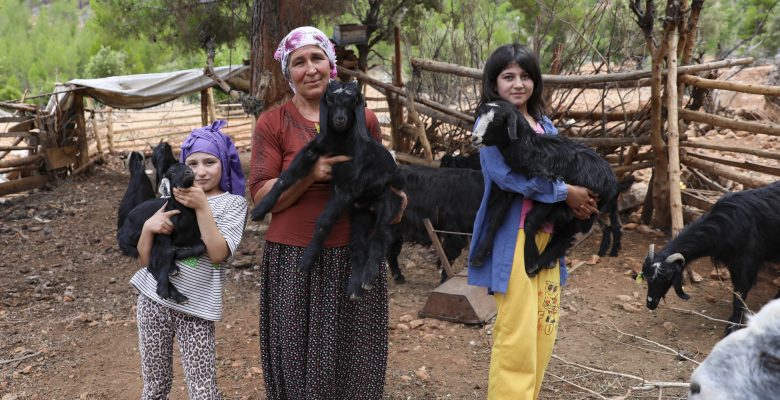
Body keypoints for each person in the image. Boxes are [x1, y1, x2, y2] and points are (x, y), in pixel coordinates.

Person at [249, 26, 405, 400]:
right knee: (297, 359)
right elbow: (262, 195)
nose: (310, 69)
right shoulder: (273, 123)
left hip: (353, 252)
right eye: (298, 62)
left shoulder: (364, 119)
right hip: (294, 257)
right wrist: (311, 175)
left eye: (317, 58)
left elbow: (380, 177)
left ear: (331, 64)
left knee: (355, 358)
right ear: (289, 73)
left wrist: (394, 203)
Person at [467, 44, 599, 400]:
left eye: (525, 76)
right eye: (508, 76)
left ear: (536, 81)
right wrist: (564, 193)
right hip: (514, 239)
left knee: (544, 327)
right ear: (494, 83)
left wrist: (582, 198)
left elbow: (563, 164)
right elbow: (507, 177)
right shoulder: (492, 124)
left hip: (547, 238)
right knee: (517, 334)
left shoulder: (543, 123)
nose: (518, 84)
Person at [130, 120, 248, 399]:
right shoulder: (168, 199)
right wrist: (148, 228)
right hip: (153, 303)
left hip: (196, 311)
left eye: (210, 162)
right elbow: (145, 262)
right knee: (155, 386)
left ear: (224, 164)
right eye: (192, 164)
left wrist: (202, 206)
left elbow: (218, 254)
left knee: (203, 390)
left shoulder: (233, 204)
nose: (201, 171)